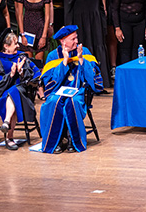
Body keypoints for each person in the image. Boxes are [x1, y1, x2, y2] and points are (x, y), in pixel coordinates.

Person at [39, 25, 103, 153]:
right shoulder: (53, 56)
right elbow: (48, 82)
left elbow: (92, 77)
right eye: (73, 39)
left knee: (72, 102)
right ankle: (55, 141)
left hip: (78, 91)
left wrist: (81, 60)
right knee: (53, 102)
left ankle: (73, 140)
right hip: (57, 92)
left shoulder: (84, 51)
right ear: (63, 41)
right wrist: (64, 62)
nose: (76, 41)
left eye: (76, 38)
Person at [0, 28, 40, 151]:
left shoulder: (21, 57)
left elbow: (36, 74)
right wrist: (10, 75)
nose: (18, 46)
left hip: (23, 93)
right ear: (6, 46)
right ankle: (9, 134)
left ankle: (8, 129)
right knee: (12, 93)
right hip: (1, 94)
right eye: (15, 43)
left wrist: (22, 72)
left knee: (14, 92)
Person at [64, 0, 110, 90]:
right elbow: (68, 13)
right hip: (80, 25)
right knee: (84, 49)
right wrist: (69, 33)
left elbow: (101, 8)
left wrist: (103, 26)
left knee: (98, 48)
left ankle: (101, 81)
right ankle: (84, 80)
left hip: (95, 24)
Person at [15, 0, 52, 65]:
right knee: (28, 62)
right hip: (27, 31)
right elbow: (19, 16)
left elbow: (47, 16)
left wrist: (44, 36)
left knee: (39, 63)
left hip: (40, 29)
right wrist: (22, 34)